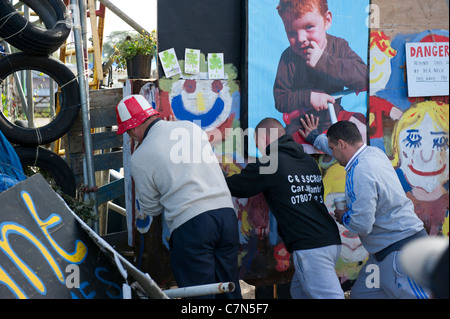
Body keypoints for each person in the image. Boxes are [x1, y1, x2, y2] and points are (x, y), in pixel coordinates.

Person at [115, 94, 242, 299]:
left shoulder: (140, 157)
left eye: (130, 132)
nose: (132, 137)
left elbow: (152, 209)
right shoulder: (190, 128)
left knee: (199, 297)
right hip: (226, 216)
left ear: (133, 127)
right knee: (229, 290)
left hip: (192, 225)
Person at [299, 115, 431, 299]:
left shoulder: (361, 171)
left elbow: (362, 225)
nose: (332, 154)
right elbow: (336, 145)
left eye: (332, 149)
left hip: (400, 255)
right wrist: (315, 137)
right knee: (361, 295)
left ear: (342, 144)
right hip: (382, 255)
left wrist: (344, 216)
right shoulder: (373, 153)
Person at [226, 117, 344, 299]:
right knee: (299, 292)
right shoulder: (308, 162)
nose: (258, 150)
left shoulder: (271, 162)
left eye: (257, 144)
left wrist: (212, 176)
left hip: (309, 247)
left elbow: (238, 186)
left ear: (265, 138)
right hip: (330, 240)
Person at [273, 0, 367, 140]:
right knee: (300, 150)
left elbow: (363, 76)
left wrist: (323, 61)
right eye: (291, 32)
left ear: (327, 20)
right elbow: (280, 100)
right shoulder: (288, 58)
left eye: (309, 27)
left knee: (362, 129)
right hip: (301, 124)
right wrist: (309, 97)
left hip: (335, 118)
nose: (301, 39)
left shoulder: (339, 46)